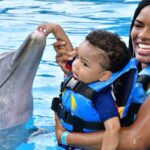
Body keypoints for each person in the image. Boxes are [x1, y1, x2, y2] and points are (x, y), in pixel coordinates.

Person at [53, 0, 150, 149]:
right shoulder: (126, 68)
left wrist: (65, 136)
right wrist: (75, 67)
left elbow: (135, 141)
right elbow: (90, 87)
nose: (143, 35)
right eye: (138, 25)